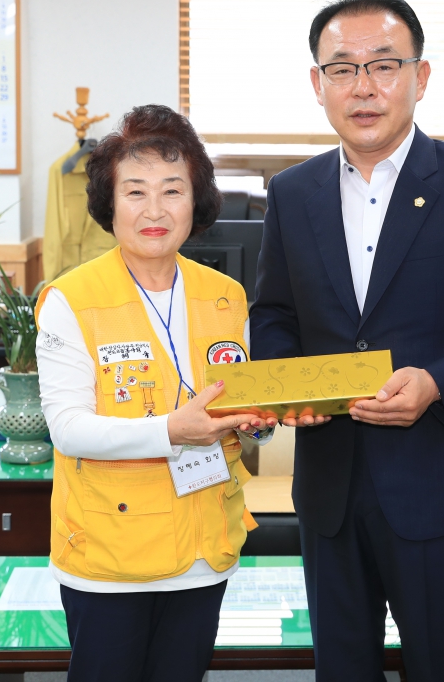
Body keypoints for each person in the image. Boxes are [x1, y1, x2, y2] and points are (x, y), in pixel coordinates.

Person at [251, 0, 444, 681]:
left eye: (384, 65)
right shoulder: (293, 193)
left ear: (420, 77)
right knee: (341, 669)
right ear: (316, 84)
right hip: (329, 486)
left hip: (440, 482)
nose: (363, 86)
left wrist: (439, 382)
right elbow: (274, 314)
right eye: (342, 68)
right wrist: (285, 382)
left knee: (442, 667)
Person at [35, 104, 274, 682]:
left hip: (202, 547)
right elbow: (68, 428)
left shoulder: (225, 296)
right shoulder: (71, 300)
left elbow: (235, 398)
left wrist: (262, 419)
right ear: (108, 203)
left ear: (197, 201)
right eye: (135, 191)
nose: (155, 210)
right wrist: (172, 430)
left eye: (173, 190)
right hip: (110, 557)